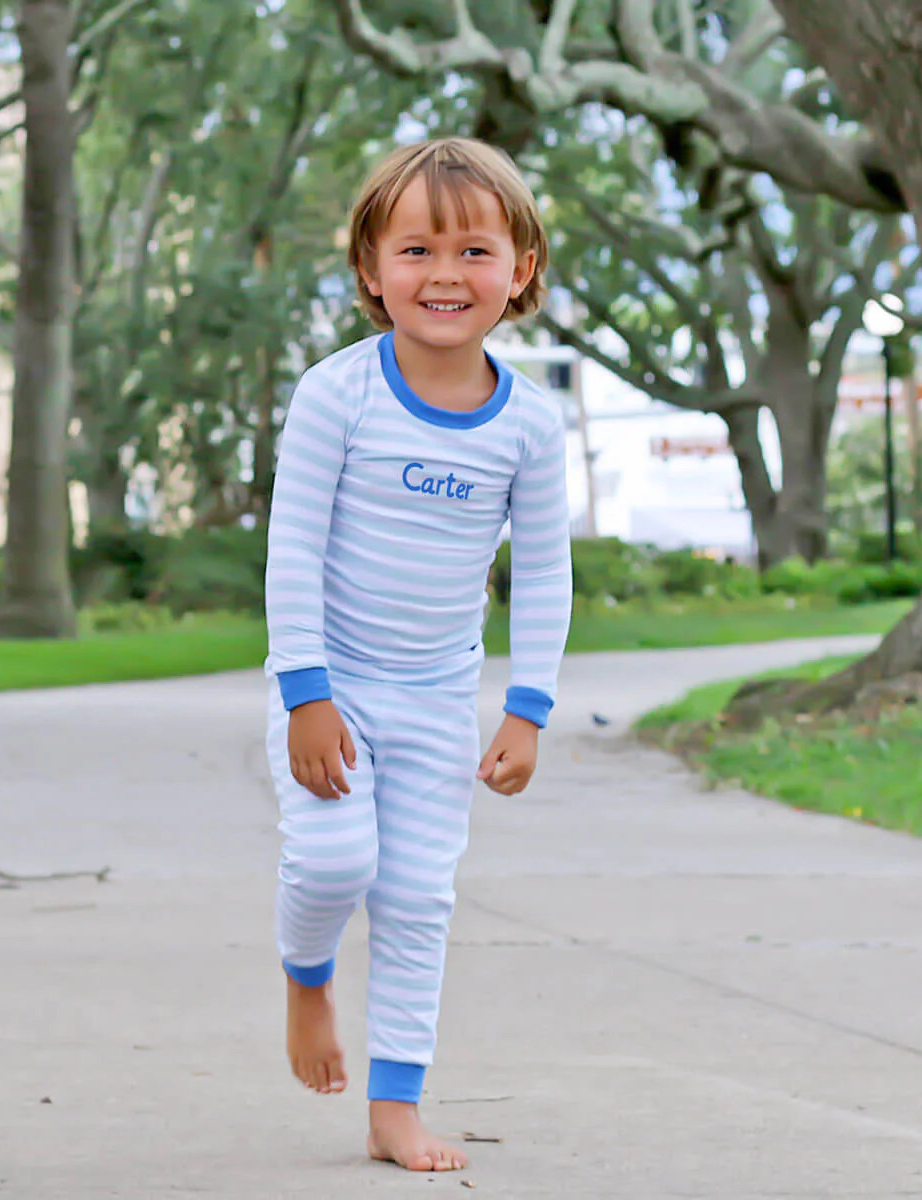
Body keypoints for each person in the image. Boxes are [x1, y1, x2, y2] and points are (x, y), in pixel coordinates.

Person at [263, 137, 572, 1173]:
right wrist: (307, 696)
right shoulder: (335, 395)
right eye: (417, 250)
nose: (445, 275)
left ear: (519, 268)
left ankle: (395, 1106)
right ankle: (307, 979)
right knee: (333, 861)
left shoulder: (529, 422)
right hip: (332, 688)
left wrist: (525, 710)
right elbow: (292, 551)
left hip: (440, 701)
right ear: (371, 269)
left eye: (475, 250)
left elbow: (543, 571)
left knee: (417, 898)